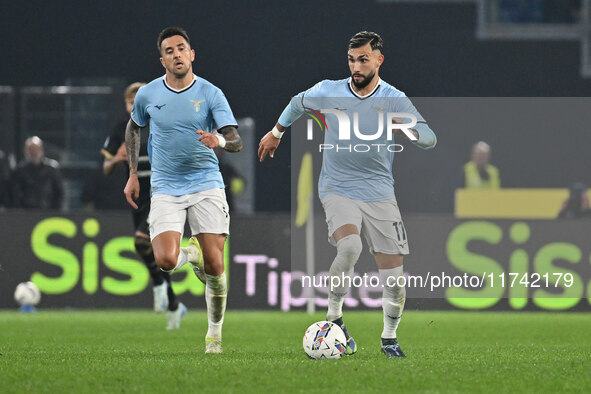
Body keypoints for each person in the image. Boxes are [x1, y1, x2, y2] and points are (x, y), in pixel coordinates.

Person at [258, 31, 436, 358]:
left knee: (394, 277)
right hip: (337, 187)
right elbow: (298, 102)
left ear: (379, 60)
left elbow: (429, 138)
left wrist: (409, 129)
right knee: (350, 245)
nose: (356, 65)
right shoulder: (330, 90)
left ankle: (389, 337)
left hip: (380, 192)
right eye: (352, 59)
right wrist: (275, 133)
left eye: (363, 59)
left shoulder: (395, 98)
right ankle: (334, 318)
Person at [124, 27, 242, 354]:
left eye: (181, 48)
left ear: (192, 54)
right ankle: (190, 253)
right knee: (164, 259)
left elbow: (235, 141)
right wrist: (133, 173)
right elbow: (134, 128)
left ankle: (214, 336)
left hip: (206, 183)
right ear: (162, 59)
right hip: (165, 187)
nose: (177, 54)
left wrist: (217, 139)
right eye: (169, 50)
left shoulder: (211, 93)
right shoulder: (148, 94)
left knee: (216, 268)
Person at [101, 82, 184, 329]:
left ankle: (159, 286)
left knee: (140, 241)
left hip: (161, 191)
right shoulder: (121, 129)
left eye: (138, 99)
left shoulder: (162, 121)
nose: (133, 105)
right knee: (150, 250)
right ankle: (173, 303)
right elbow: (105, 169)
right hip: (136, 194)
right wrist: (116, 159)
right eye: (129, 101)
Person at [11, 136, 64, 209]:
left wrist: (57, 210)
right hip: (26, 213)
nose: (33, 153)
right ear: (26, 151)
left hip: (48, 211)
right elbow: (15, 194)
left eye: (35, 149)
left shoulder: (52, 169)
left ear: (41, 150)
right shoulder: (20, 171)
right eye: (31, 150)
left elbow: (59, 193)